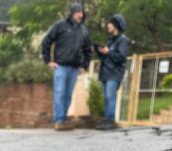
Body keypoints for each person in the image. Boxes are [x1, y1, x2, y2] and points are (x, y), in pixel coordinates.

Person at [42, 3, 92, 131]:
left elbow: (88, 50)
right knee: (59, 93)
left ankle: (63, 120)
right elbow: (46, 41)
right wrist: (48, 60)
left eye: (82, 12)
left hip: (75, 68)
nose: (80, 15)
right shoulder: (60, 25)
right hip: (61, 66)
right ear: (72, 13)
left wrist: (84, 66)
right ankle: (59, 120)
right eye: (78, 12)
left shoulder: (84, 30)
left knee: (68, 95)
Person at [95, 14, 129, 131]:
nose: (107, 25)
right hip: (105, 72)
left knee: (110, 96)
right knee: (106, 97)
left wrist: (108, 52)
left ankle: (110, 120)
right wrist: (99, 51)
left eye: (110, 23)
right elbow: (107, 56)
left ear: (115, 25)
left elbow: (121, 57)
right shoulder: (110, 41)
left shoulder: (123, 40)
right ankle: (106, 120)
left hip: (114, 73)